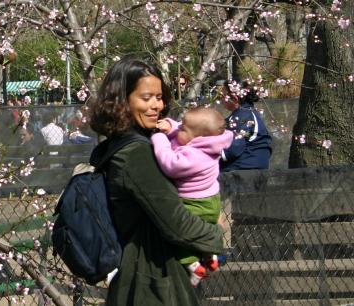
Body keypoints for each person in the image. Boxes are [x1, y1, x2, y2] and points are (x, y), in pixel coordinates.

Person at [88, 57, 224, 306]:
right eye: (146, 97)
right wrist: (217, 233)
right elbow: (176, 224)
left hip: (144, 277)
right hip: (151, 281)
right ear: (123, 101)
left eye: (159, 97)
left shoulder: (119, 145)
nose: (156, 106)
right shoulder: (136, 154)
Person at [151, 107, 233, 286]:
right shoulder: (204, 145)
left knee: (181, 237)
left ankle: (193, 266)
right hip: (211, 200)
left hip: (194, 203)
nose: (178, 128)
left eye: (182, 129)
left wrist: (159, 138)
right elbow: (184, 131)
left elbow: (170, 164)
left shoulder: (196, 155)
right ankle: (211, 256)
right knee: (202, 231)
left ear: (197, 139)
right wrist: (171, 125)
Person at [219, 80, 272, 172]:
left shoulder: (242, 117)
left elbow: (234, 147)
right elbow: (246, 135)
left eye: (223, 96)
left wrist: (211, 157)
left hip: (243, 169)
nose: (221, 99)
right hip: (252, 167)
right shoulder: (247, 114)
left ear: (234, 98)